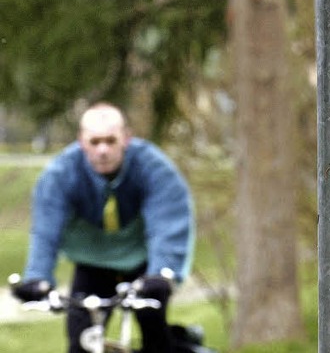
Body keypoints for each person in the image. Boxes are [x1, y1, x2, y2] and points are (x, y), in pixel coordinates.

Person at [13, 102, 194, 353]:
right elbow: (46, 231)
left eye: (111, 140)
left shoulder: (154, 168)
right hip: (92, 265)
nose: (103, 150)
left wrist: (163, 272)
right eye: (95, 142)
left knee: (155, 335)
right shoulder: (60, 174)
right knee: (81, 341)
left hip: (144, 267)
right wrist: (37, 278)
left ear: (126, 138)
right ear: (81, 140)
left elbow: (167, 223)